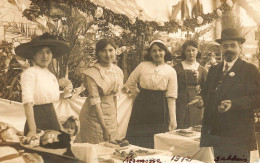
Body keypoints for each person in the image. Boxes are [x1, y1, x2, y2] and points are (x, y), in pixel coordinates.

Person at [196, 28, 260, 162]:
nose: (229, 49)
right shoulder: (213, 70)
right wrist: (202, 100)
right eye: (225, 46)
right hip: (217, 133)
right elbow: (207, 93)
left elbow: (257, 98)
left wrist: (234, 103)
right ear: (221, 48)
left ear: (240, 48)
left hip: (239, 134)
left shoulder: (249, 70)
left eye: (233, 45)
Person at [125, 39, 177, 148]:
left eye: (160, 50)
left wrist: (173, 119)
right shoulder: (143, 65)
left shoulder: (171, 71)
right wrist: (140, 95)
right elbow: (130, 83)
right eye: (154, 51)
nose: (157, 53)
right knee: (138, 137)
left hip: (160, 106)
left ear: (165, 52)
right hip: (142, 104)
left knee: (156, 138)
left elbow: (171, 96)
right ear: (150, 53)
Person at [16, 33, 70, 137]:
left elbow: (50, 104)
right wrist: (32, 129)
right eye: (40, 53)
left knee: (57, 148)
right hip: (37, 119)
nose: (45, 56)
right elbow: (27, 102)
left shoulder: (51, 75)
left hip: (51, 118)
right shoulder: (30, 73)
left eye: (48, 52)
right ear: (34, 55)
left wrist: (59, 126)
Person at [75, 38, 123, 144]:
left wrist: (114, 120)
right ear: (98, 53)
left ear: (115, 51)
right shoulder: (92, 73)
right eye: (103, 51)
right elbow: (95, 102)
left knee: (111, 150)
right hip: (93, 116)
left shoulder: (118, 71)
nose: (108, 54)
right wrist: (104, 128)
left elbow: (114, 97)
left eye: (111, 50)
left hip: (110, 115)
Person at [173, 40, 207, 129]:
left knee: (195, 127)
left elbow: (206, 89)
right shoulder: (176, 68)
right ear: (184, 52)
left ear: (197, 51)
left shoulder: (202, 70)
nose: (191, 53)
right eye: (188, 50)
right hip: (180, 102)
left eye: (193, 50)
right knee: (180, 126)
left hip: (196, 102)